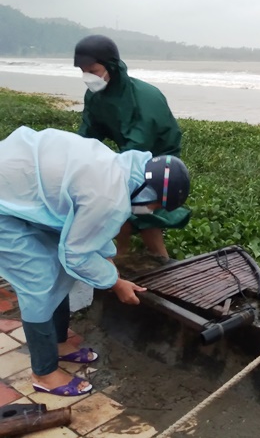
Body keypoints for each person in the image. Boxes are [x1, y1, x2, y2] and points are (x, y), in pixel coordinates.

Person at [0, 126, 190, 395]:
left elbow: (89, 231)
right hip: (5, 203)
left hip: (22, 185)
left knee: (60, 269)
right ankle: (43, 373)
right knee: (39, 280)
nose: (151, 211)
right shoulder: (110, 196)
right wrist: (115, 283)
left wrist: (110, 266)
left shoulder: (122, 171)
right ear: (148, 189)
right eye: (155, 205)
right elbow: (76, 254)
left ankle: (57, 343)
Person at [73, 34, 191, 261]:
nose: (87, 77)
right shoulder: (95, 95)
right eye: (82, 70)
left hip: (159, 157)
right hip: (130, 152)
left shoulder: (143, 99)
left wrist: (113, 176)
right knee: (122, 203)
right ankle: (123, 252)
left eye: (93, 70)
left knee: (141, 206)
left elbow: (138, 146)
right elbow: (88, 134)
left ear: (111, 66)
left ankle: (159, 257)